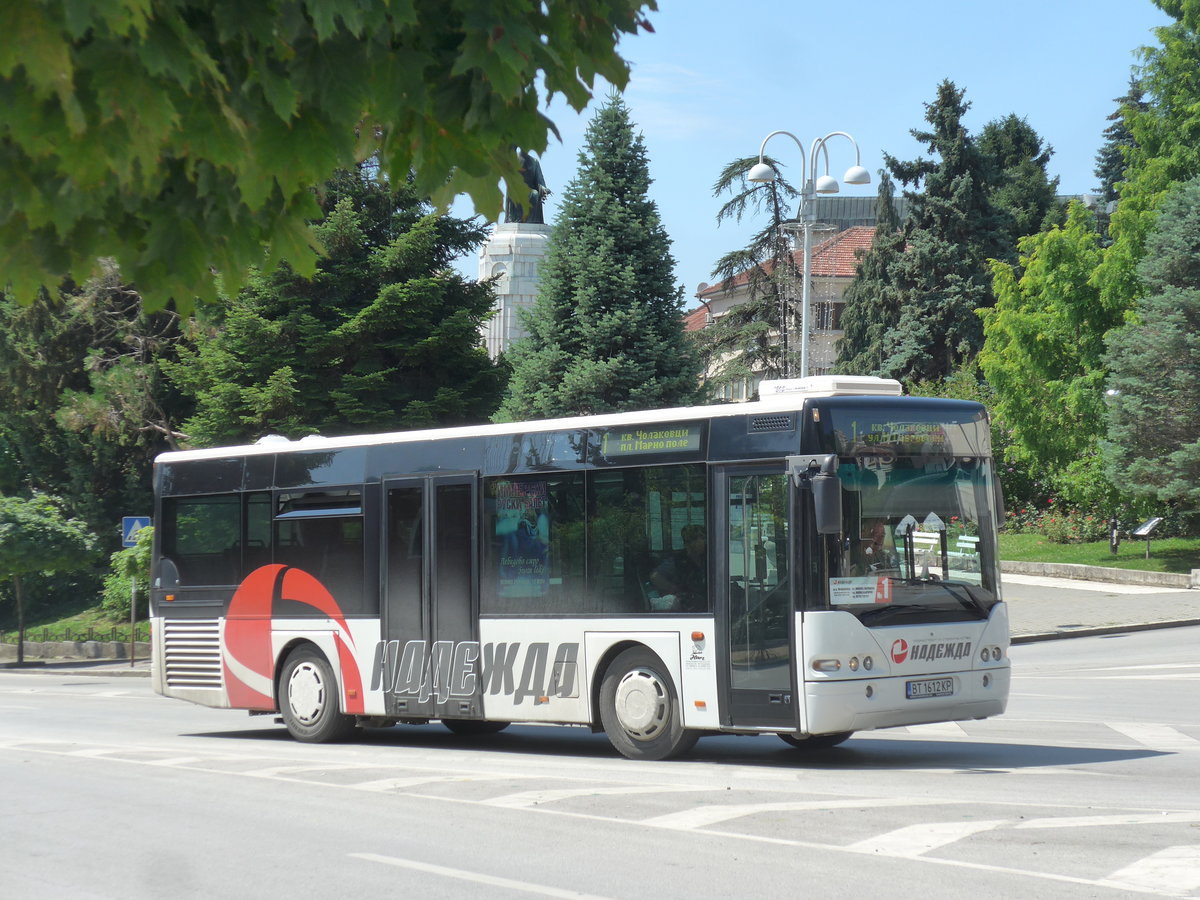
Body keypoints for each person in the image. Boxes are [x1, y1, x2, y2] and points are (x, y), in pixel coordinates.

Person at [650, 525, 707, 611]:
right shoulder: (677, 561)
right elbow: (655, 577)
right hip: (687, 607)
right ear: (692, 542)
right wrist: (674, 589)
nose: (705, 541)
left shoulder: (707, 558)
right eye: (702, 538)